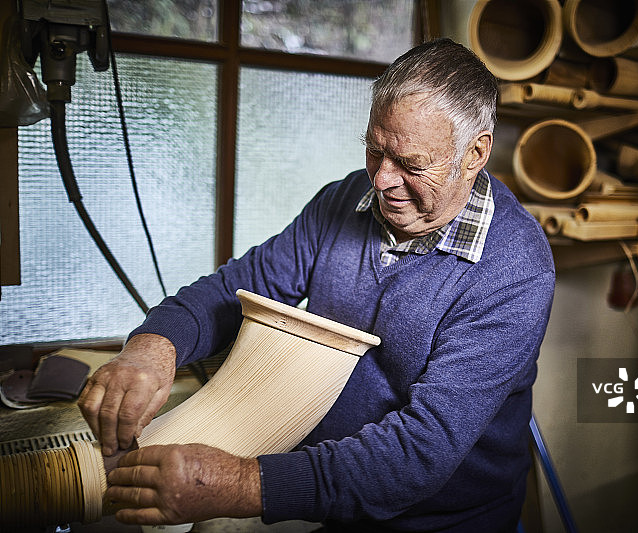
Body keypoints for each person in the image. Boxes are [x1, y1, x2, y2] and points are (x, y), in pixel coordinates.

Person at [78, 38, 555, 532]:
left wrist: (240, 484)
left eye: (411, 165)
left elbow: (417, 455)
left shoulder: (514, 270)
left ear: (475, 152)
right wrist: (154, 346)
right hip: (329, 495)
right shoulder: (344, 199)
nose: (383, 181)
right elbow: (238, 289)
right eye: (375, 150)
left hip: (443, 521)